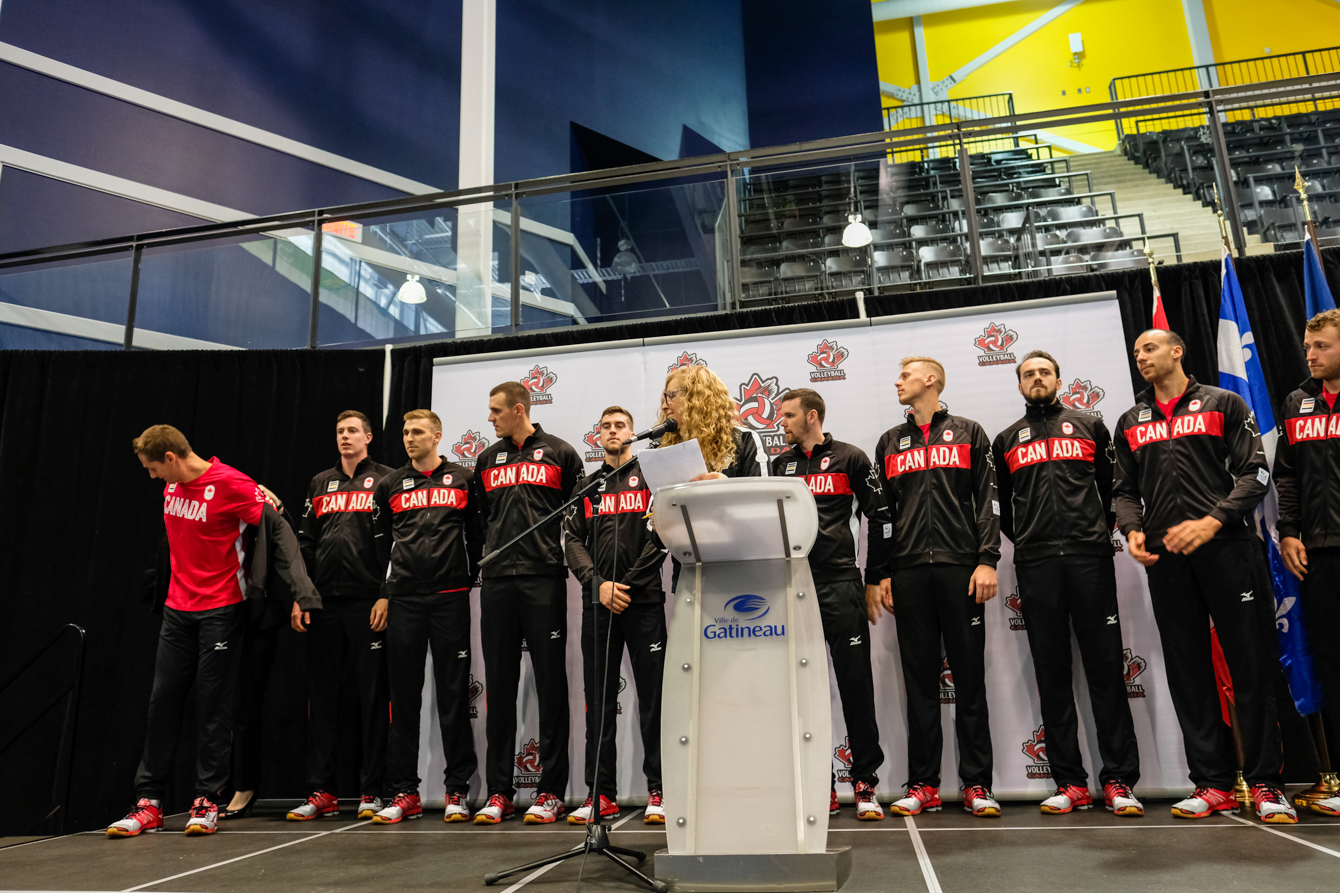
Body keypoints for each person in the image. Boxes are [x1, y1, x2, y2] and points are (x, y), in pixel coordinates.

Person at [1113, 329, 1295, 824]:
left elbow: (1257, 473)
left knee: (1249, 665)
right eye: (1136, 354)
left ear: (1177, 350)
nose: (1141, 358)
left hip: (1228, 549)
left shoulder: (1224, 402)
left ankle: (1265, 784)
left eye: (1149, 349)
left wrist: (1213, 519)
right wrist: (1131, 529)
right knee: (1188, 669)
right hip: (1167, 558)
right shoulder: (1131, 419)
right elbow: (1123, 490)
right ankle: (1211, 783)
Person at [110, 426, 320, 839]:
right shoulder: (173, 487)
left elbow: (279, 530)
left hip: (222, 610)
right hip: (177, 611)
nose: (152, 478)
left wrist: (303, 592)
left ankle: (206, 800)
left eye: (153, 469)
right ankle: (148, 803)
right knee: (162, 703)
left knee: (213, 707)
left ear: (171, 458)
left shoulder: (230, 484)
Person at [991, 351, 1143, 818]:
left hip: (1090, 560)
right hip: (1036, 564)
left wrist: (1095, 534)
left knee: (1104, 671)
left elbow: (1114, 487)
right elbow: (1004, 510)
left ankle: (1118, 781)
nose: (1036, 379)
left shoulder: (1090, 426)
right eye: (1028, 374)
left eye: (1044, 372)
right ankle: (1070, 783)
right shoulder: (1005, 439)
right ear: (1019, 386)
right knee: (1052, 676)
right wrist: (1033, 540)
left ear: (1059, 379)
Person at [871, 357, 1002, 819]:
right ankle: (923, 783)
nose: (897, 381)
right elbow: (882, 515)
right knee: (920, 683)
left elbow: (987, 498)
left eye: (904, 375)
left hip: (959, 569)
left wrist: (987, 558)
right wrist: (883, 572)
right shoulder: (890, 441)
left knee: (969, 680)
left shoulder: (969, 431)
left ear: (932, 380)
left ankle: (977, 785)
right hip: (908, 573)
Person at [773, 388, 889, 821]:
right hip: (794, 587)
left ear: (812, 416)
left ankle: (864, 784)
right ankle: (817, 782)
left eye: (787, 415)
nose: (780, 422)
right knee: (802, 691)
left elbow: (880, 518)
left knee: (855, 685)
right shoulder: (779, 465)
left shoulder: (851, 457)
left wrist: (875, 577)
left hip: (841, 583)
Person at [473, 383, 585, 824]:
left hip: (543, 581)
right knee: (498, 689)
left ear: (519, 410)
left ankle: (551, 792)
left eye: (496, 410)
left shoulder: (560, 453)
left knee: (550, 686)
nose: (490, 418)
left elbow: (576, 518)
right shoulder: (486, 460)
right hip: (497, 582)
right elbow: (484, 518)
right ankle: (499, 792)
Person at [368, 409, 483, 824]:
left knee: (453, 696)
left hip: (450, 599)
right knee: (404, 698)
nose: (409, 438)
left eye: (417, 432)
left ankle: (457, 791)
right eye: (405, 432)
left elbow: (477, 533)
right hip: (406, 602)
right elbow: (382, 546)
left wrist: (466, 578)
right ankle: (404, 792)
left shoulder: (465, 479)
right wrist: (388, 590)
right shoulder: (390, 485)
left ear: (437, 435)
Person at [563, 406, 669, 825]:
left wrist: (626, 584)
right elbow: (571, 540)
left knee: (653, 701)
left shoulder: (653, 479)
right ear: (598, 436)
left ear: (632, 433)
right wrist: (598, 585)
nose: (612, 431)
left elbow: (663, 535)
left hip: (642, 602)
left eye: (619, 425)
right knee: (600, 703)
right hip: (599, 605)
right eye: (605, 426)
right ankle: (599, 794)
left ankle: (659, 791)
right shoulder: (587, 486)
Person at [287, 410, 394, 822]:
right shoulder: (320, 482)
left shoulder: (386, 478)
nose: (345, 437)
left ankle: (372, 790)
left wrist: (386, 594)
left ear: (368, 436)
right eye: (339, 431)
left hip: (369, 602)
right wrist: (302, 596)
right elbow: (305, 545)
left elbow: (397, 542)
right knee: (324, 700)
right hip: (324, 606)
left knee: (371, 699)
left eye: (352, 431)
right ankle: (322, 790)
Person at [1273, 309, 1340, 818]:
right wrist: (1289, 531)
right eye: (1308, 346)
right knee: (1333, 665)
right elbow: (1288, 477)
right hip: (1316, 552)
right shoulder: (1298, 402)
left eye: (1321, 347)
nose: (1310, 355)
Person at [223, 485, 299, 821]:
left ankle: (245, 784)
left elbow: (288, 544)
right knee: (216, 706)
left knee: (247, 705)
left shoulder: (263, 510)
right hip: (214, 613)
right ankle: (211, 787)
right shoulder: (209, 510)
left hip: (256, 616)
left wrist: (278, 507)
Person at [657, 365, 764, 480]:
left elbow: (762, 494)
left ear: (696, 399)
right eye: (664, 399)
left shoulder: (745, 439)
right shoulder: (667, 446)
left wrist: (726, 488)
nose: (663, 406)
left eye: (671, 396)